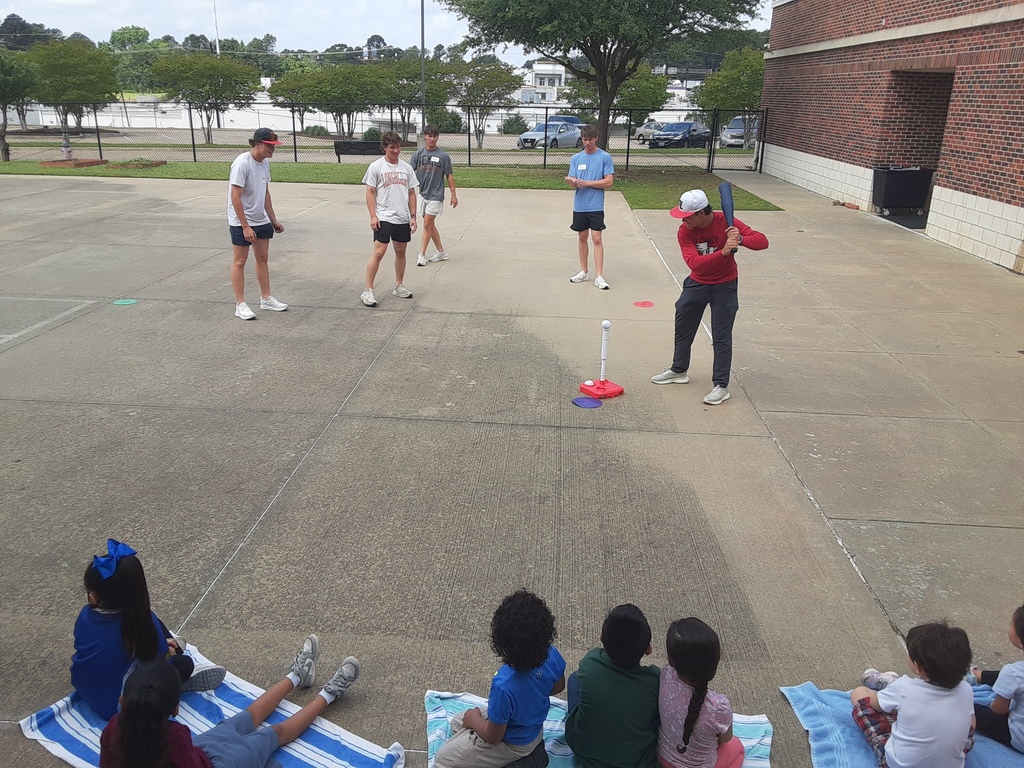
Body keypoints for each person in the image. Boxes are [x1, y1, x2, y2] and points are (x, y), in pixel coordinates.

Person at [99, 635, 360, 768]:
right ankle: (330, 693)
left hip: (199, 754)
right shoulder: (176, 737)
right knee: (272, 733)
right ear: (176, 708)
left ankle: (297, 675)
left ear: (123, 700)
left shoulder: (113, 730)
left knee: (246, 718)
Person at [72, 539, 225, 720]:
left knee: (154, 634)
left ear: (94, 597)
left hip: (85, 687)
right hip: (122, 707)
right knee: (184, 663)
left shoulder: (84, 616)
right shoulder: (143, 623)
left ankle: (171, 645)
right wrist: (169, 654)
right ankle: (178, 660)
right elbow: (161, 666)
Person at [651, 189, 768, 405]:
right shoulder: (684, 231)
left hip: (725, 285)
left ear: (701, 214)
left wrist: (740, 239)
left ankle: (721, 386)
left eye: (687, 216)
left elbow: (762, 241)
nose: (683, 220)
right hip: (697, 282)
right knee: (684, 328)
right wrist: (722, 252)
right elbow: (695, 264)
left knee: (721, 335)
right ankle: (679, 370)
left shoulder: (726, 221)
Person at [434, 589, 566, 768]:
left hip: (513, 744)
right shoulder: (552, 654)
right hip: (534, 730)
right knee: (458, 721)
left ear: (501, 643)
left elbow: (493, 736)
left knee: (443, 758)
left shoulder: (504, 685)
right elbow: (558, 687)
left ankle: (519, 761)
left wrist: (474, 720)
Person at [850, 621, 976, 768]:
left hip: (897, 764)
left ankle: (888, 682)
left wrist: (901, 712)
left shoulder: (904, 688)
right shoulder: (966, 689)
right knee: (971, 719)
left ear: (918, 666)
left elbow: (874, 704)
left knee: (859, 693)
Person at [564, 604, 660, 768]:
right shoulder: (655, 680)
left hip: (583, 751)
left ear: (601, 638)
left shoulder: (591, 663)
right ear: (648, 650)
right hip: (634, 761)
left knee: (575, 679)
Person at [658, 617, 744, 768]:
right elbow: (725, 739)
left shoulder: (665, 675)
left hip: (662, 758)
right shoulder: (719, 706)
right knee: (737, 747)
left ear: (671, 661)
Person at [227, 127, 288, 321]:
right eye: (270, 145)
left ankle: (266, 298)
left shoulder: (264, 164)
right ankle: (241, 304)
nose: (273, 149)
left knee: (262, 258)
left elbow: (265, 192)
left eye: (274, 146)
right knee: (240, 260)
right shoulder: (241, 163)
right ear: (258, 143)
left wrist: (273, 219)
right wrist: (245, 226)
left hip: (260, 218)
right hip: (241, 220)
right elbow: (235, 196)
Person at [361, 131, 418, 307]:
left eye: (398, 147)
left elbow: (411, 193)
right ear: (384, 147)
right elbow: (370, 192)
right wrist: (373, 216)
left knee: (401, 252)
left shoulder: (406, 168)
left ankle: (398, 285)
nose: (395, 150)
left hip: (402, 217)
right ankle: (368, 290)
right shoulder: (376, 167)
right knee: (379, 252)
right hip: (384, 217)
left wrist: (413, 216)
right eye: (392, 147)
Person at [565, 125, 615, 289]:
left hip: (595, 205)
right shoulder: (576, 158)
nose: (587, 143)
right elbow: (573, 181)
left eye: (589, 140)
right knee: (581, 237)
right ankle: (584, 271)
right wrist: (572, 182)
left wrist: (587, 183)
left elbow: (608, 182)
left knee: (597, 238)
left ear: (596, 138)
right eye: (584, 140)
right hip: (580, 205)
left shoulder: (604, 157)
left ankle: (599, 276)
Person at [970, 602, 1024, 752]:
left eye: (1010, 624)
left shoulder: (1012, 672)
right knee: (1008, 678)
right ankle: (978, 675)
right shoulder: (1014, 672)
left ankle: (972, 678)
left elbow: (999, 710)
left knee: (969, 708)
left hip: (1018, 737)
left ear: (1020, 640)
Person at [411, 125, 458, 267]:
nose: (432, 139)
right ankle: (441, 252)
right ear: (424, 136)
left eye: (435, 136)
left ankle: (421, 254)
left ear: (438, 137)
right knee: (430, 225)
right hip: (423, 194)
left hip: (436, 195)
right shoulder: (417, 155)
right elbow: (408, 172)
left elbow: (449, 175)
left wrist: (453, 195)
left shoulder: (443, 156)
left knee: (426, 224)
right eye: (429, 136)